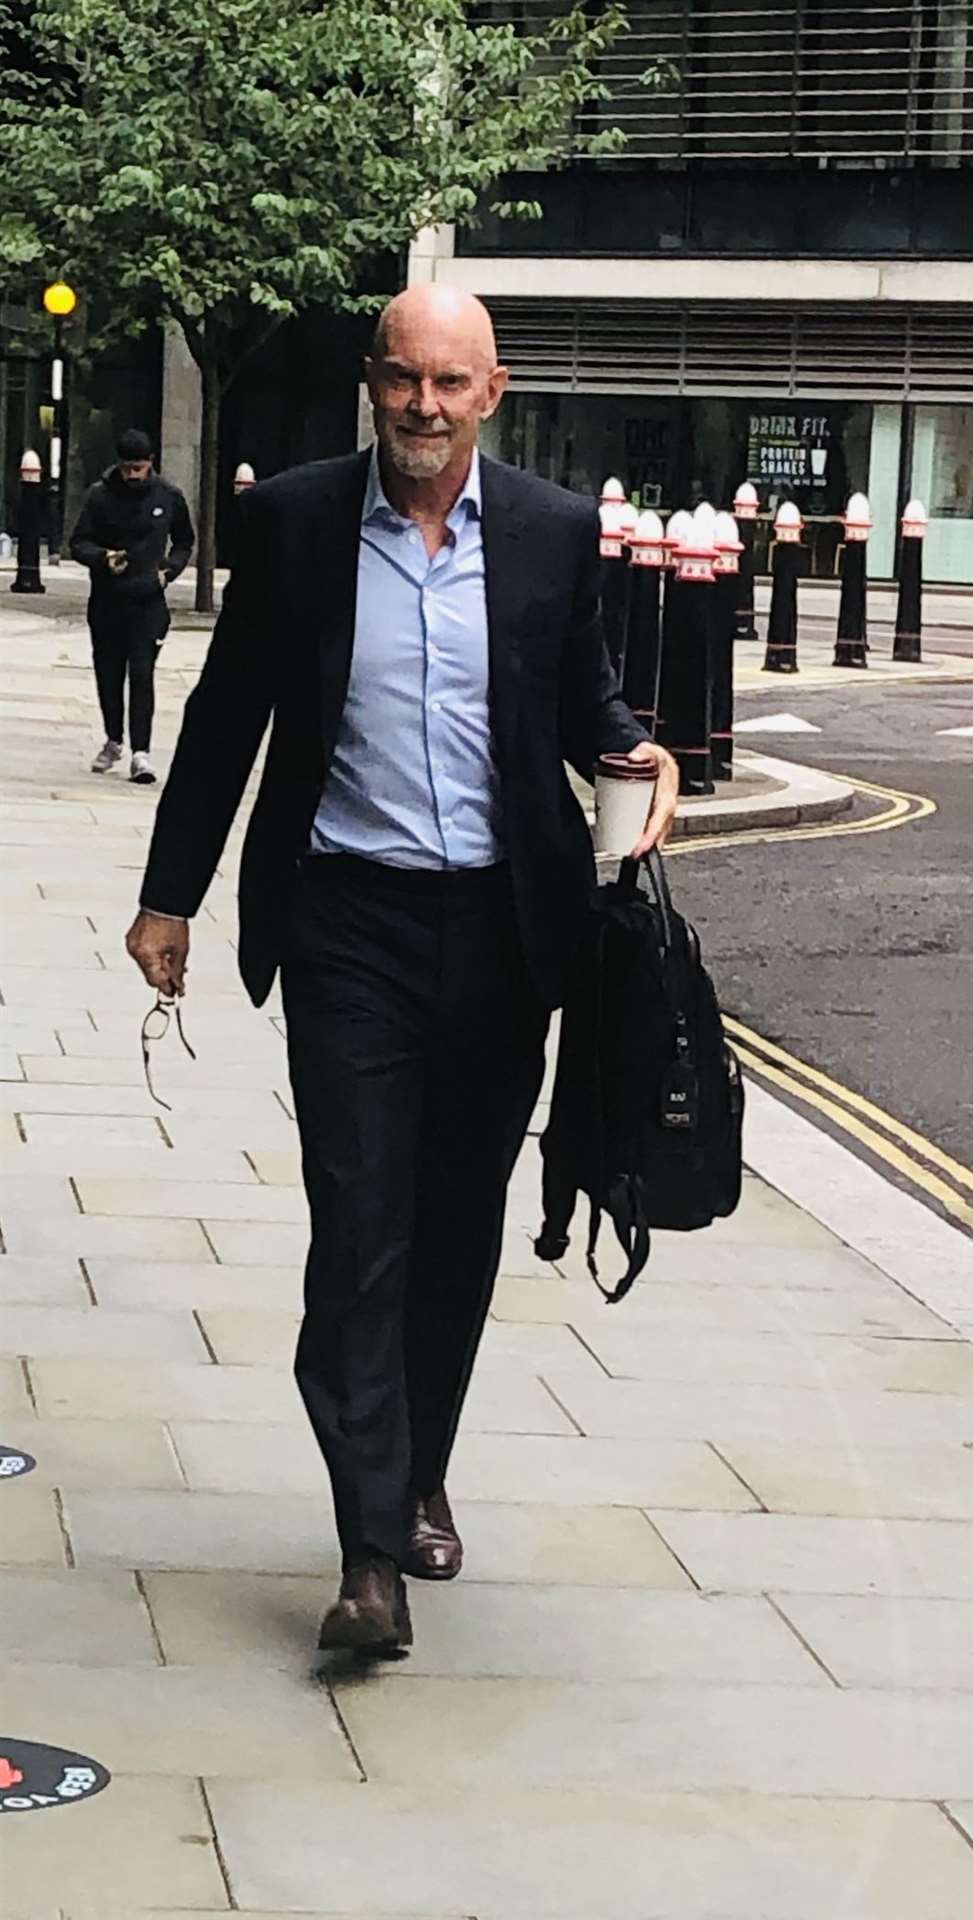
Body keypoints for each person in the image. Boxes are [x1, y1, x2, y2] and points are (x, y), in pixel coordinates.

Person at [125, 286, 678, 1657]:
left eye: (451, 384)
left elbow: (583, 704)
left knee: (451, 1229)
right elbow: (226, 718)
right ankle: (368, 1547)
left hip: (501, 934)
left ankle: (421, 1462)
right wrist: (168, 898)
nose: (423, 407)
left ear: (492, 394)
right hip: (345, 923)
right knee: (357, 1221)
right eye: (401, 380)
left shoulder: (550, 534)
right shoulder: (299, 520)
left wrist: (642, 758)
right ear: (368, 383)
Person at [70, 428, 195, 784]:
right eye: (127, 469)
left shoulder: (168, 495)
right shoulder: (100, 496)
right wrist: (102, 558)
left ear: (150, 464)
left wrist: (168, 571)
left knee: (142, 675)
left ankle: (142, 751)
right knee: (109, 673)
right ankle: (114, 738)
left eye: (138, 469)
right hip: (108, 600)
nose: (132, 476)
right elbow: (79, 541)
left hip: (148, 601)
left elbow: (185, 540)